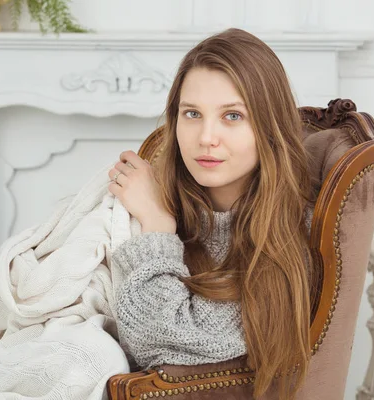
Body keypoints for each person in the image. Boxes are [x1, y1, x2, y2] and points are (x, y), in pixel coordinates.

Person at [107, 27, 314, 400]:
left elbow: (155, 342)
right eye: (192, 114)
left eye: (232, 116)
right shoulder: (154, 191)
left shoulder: (283, 243)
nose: (206, 137)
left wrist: (156, 225)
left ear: (269, 127)